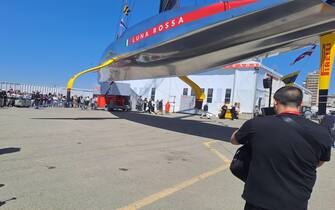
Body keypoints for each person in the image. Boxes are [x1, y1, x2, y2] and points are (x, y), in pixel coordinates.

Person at [230, 86, 332, 210]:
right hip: (295, 202)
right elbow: (319, 162)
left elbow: (234, 140)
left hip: (258, 200)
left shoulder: (257, 124)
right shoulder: (321, 132)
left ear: (276, 102)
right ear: (300, 104)